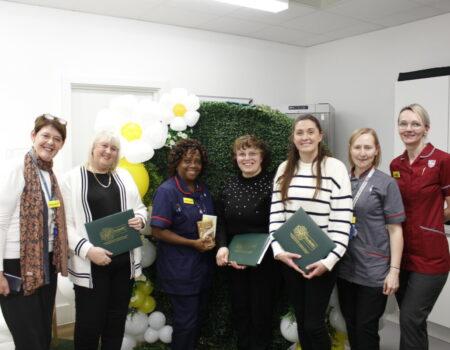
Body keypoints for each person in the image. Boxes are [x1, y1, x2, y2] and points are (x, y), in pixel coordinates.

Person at [269, 114, 352, 350]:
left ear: (320, 136)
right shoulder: (284, 169)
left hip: (323, 261)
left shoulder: (335, 168)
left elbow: (342, 221)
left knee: (315, 324)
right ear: (293, 137)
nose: (305, 137)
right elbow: (275, 216)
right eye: (299, 132)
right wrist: (278, 252)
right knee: (303, 323)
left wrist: (329, 261)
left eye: (310, 132)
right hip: (291, 260)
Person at [61, 131, 146, 350]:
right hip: (91, 265)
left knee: (116, 324)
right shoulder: (72, 179)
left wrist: (140, 220)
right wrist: (88, 250)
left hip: (123, 265)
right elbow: (64, 223)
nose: (108, 151)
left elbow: (140, 209)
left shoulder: (124, 177)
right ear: (92, 147)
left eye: (114, 148)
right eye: (104, 146)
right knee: (89, 326)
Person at [0, 114, 69, 350]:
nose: (50, 142)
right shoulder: (16, 168)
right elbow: (0, 221)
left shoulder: (49, 173)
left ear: (62, 144)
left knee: (41, 335)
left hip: (45, 263)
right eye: (45, 136)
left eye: (57, 139)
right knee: (29, 339)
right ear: (33, 136)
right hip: (15, 265)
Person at [337, 128, 405, 350]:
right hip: (345, 266)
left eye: (368, 147)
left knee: (366, 328)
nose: (362, 152)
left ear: (376, 151)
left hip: (374, 269)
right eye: (358, 147)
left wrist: (394, 271)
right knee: (351, 325)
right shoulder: (341, 182)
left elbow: (395, 230)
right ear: (350, 150)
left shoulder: (386, 183)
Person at [390, 103, 450, 350]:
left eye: (415, 123)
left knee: (410, 318)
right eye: (404, 123)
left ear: (426, 128)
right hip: (401, 254)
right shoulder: (396, 164)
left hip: (431, 256)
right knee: (413, 320)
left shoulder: (443, 160)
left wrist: (433, 222)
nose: (409, 128)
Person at [215, 135, 280, 350]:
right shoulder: (228, 185)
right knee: (240, 312)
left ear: (262, 156)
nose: (247, 158)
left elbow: (279, 222)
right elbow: (221, 221)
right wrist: (223, 246)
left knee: (262, 313)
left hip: (266, 262)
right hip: (235, 262)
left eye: (252, 153)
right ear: (235, 158)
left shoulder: (275, 184)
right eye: (242, 153)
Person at [151, 139, 215, 350]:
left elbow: (209, 222)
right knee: (185, 322)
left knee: (198, 319)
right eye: (187, 160)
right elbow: (158, 231)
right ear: (177, 162)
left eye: (197, 161)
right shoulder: (167, 191)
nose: (193, 165)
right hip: (179, 270)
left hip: (202, 269)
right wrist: (192, 243)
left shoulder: (202, 190)